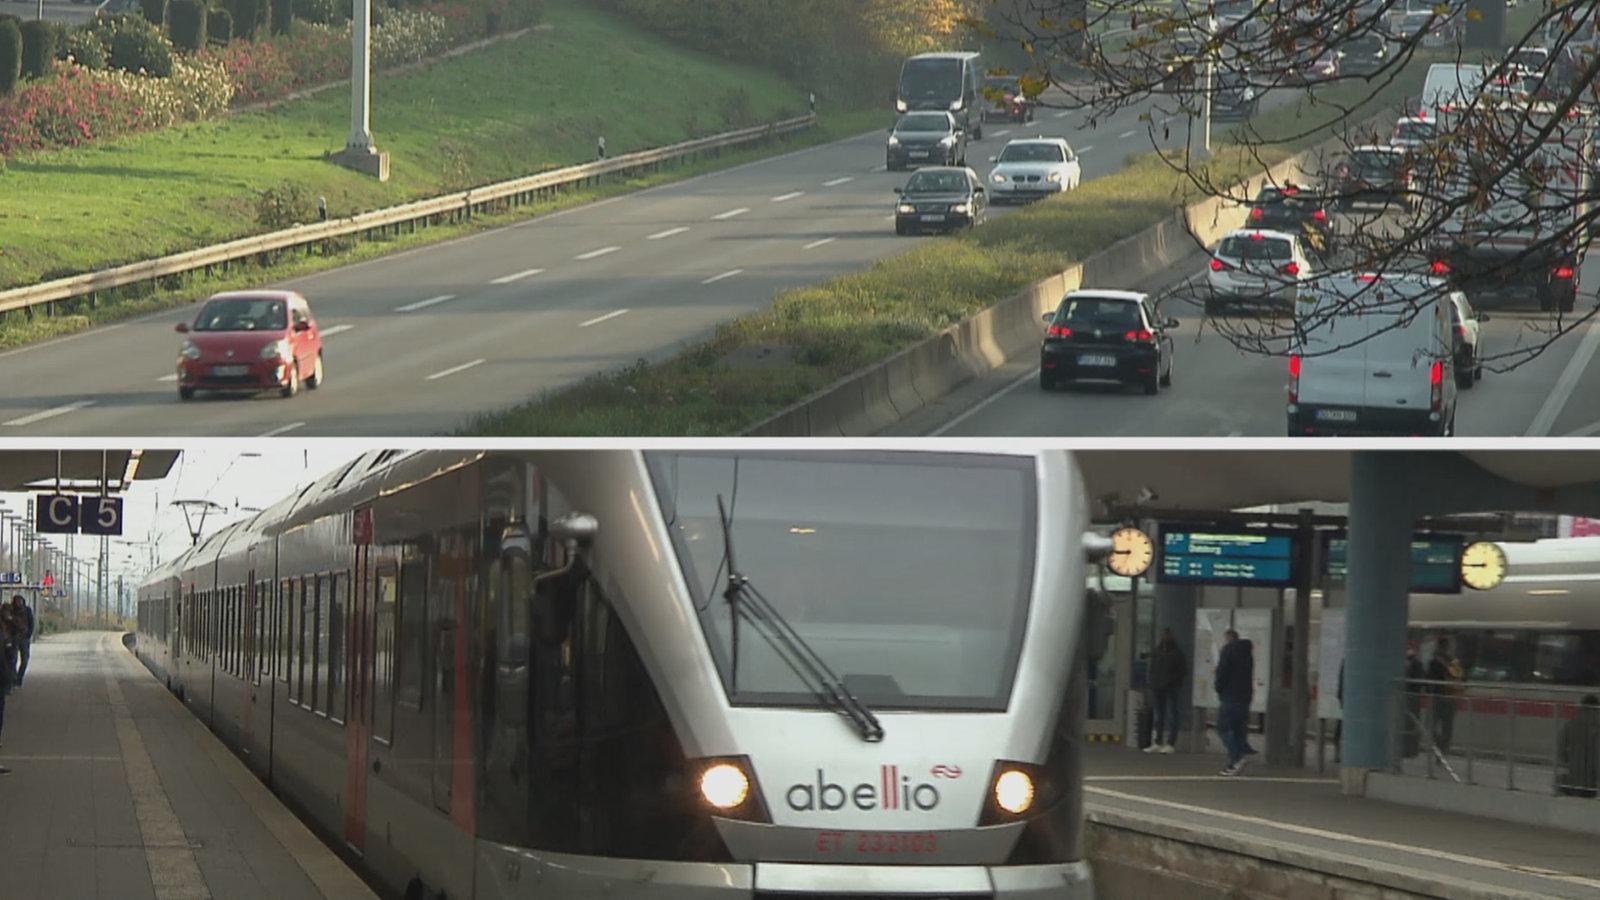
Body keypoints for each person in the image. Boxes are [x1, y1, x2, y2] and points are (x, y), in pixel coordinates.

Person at [1214, 629, 1255, 776]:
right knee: (1238, 730)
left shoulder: (1228, 651)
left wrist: (1218, 688)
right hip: (1244, 697)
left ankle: (1237, 758)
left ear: (1228, 638)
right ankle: (1237, 757)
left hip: (1230, 696)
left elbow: (1222, 672)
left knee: (1223, 728)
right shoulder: (1247, 653)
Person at [1145, 627, 1188, 754]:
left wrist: (1171, 681)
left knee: (1171, 715)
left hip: (1170, 687)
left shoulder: (1176, 653)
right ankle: (1158, 741)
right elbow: (1153, 669)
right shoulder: (1157, 651)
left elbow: (1183, 671)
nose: (1164, 638)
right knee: (1159, 716)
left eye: (1166, 635)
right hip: (1157, 687)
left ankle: (1170, 743)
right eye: (1163, 635)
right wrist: (1152, 682)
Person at [1426, 637, 1465, 754]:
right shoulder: (1453, 662)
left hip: (1437, 697)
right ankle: (1443, 749)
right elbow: (1462, 677)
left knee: (1431, 726)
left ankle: (1440, 746)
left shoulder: (1435, 662)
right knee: (1447, 727)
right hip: (1450, 698)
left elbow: (1430, 679)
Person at [1558, 695, 1600, 799]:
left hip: (1573, 779)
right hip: (1593, 781)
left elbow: (1561, 749)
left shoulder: (1571, 724)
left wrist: (1568, 760)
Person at [1402, 640, 1426, 758]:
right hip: (1410, 699)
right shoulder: (1417, 664)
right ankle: (1408, 749)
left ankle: (1409, 749)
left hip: (1410, 698)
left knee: (1410, 725)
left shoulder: (1414, 665)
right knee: (1409, 724)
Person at [10, 595, 32, 687]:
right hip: (14, 638)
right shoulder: (12, 611)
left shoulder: (27, 610)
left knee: (25, 659)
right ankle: (14, 678)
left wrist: (28, 634)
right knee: (13, 659)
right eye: (17, 601)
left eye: (20, 601)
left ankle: (19, 677)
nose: (19, 603)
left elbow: (31, 622)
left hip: (24, 638)